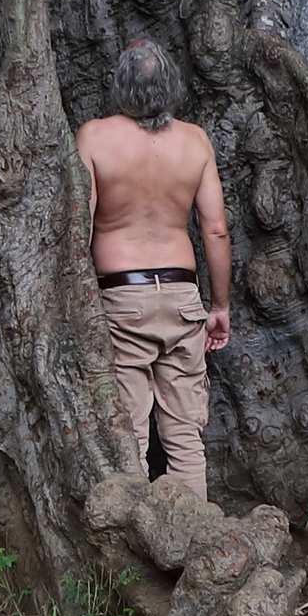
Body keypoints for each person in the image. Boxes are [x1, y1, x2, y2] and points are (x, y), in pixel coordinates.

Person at [77, 35, 230, 496]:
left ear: (119, 86)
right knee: (185, 436)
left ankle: (138, 552)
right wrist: (218, 306)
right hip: (183, 298)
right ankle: (197, 542)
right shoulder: (195, 141)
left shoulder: (95, 136)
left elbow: (79, 227)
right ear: (172, 86)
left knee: (130, 434)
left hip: (120, 299)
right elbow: (216, 230)